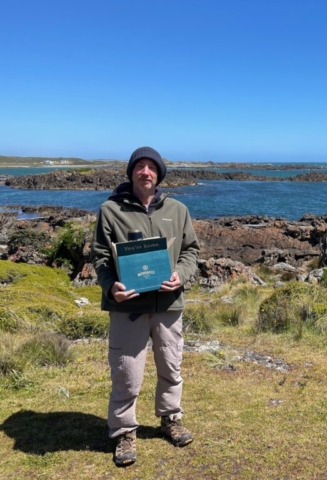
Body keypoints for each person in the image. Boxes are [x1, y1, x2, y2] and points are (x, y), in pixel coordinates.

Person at [90, 146, 200, 467]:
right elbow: (100, 258)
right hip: (129, 308)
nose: (146, 171)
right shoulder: (110, 211)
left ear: (160, 174)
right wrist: (111, 287)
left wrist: (182, 274)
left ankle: (170, 418)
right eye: (140, 166)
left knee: (171, 365)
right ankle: (124, 431)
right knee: (126, 372)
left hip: (168, 303)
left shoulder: (178, 210)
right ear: (132, 173)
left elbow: (190, 250)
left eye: (152, 167)